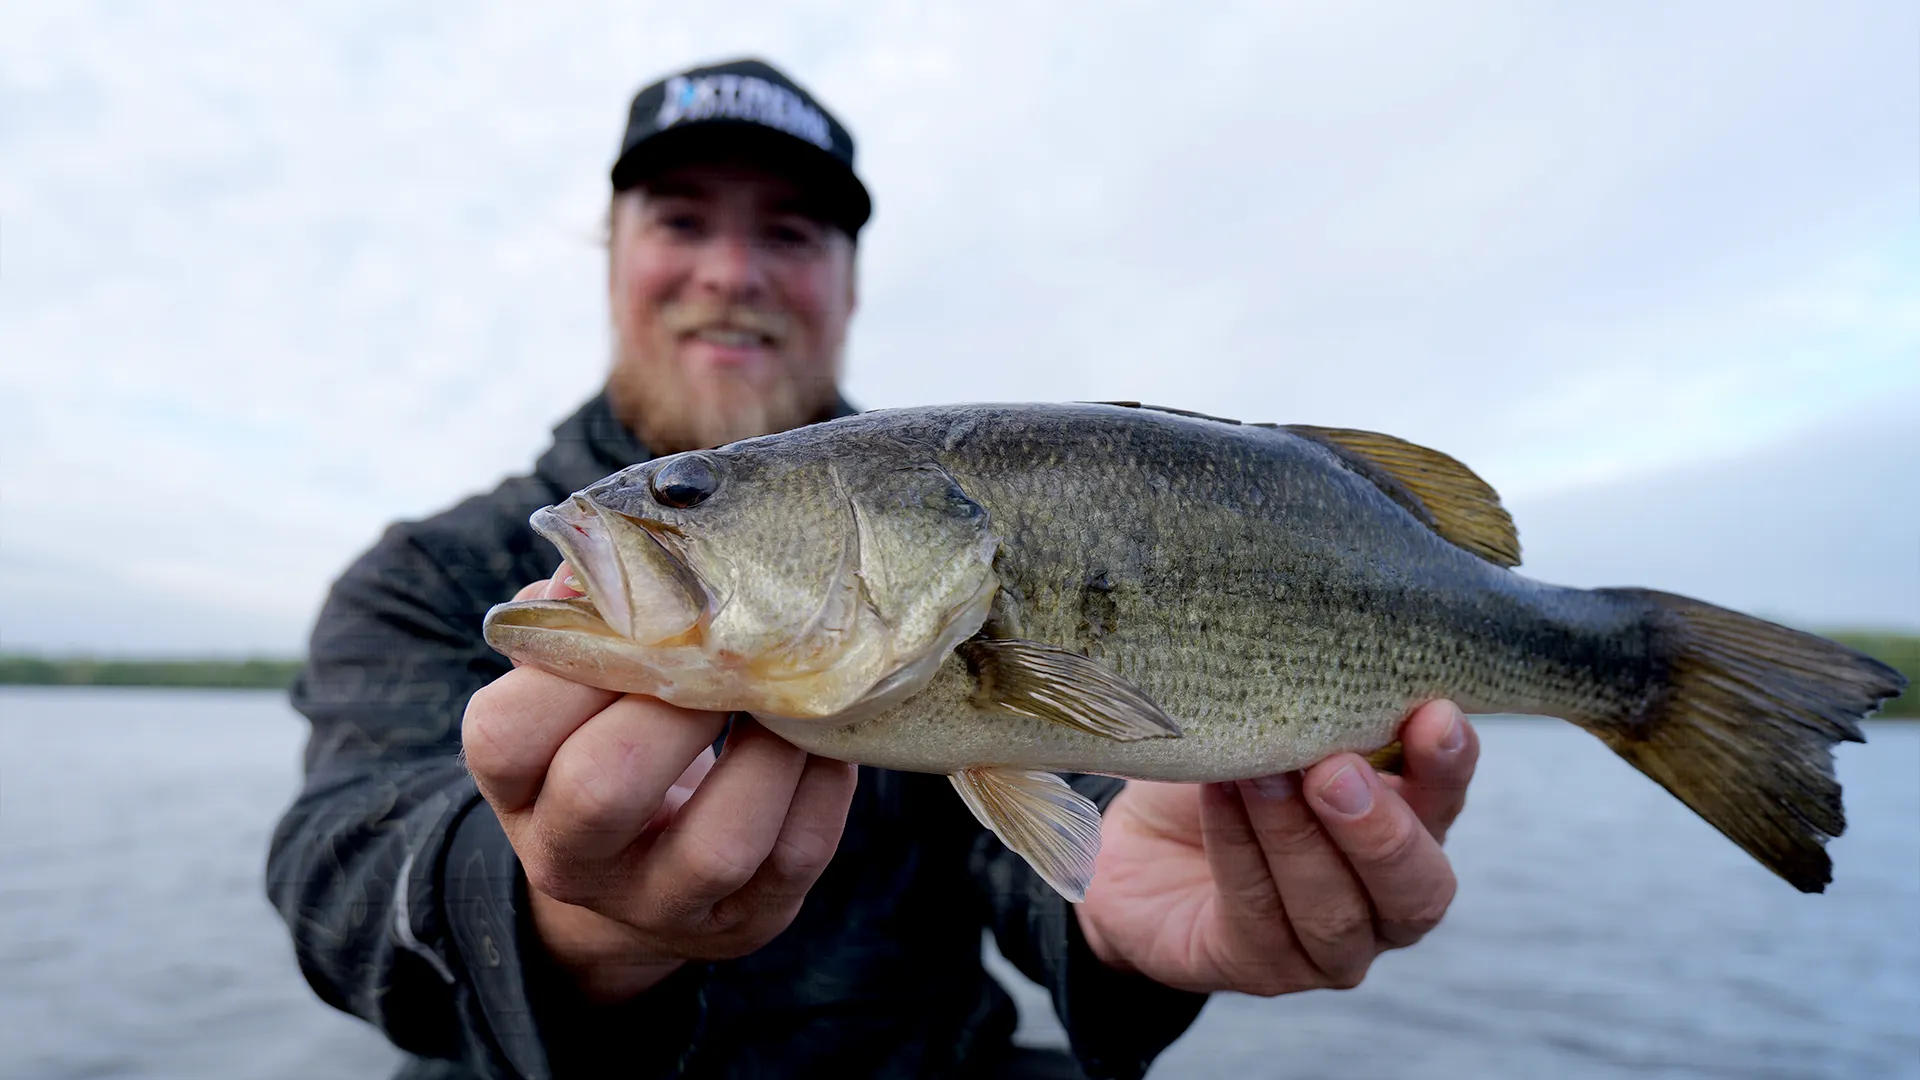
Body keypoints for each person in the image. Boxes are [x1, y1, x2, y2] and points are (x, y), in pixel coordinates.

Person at [267, 58, 1481, 1080]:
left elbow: (1069, 826)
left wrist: (1130, 914)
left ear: (847, 286)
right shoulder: (427, 576)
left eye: (788, 234)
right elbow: (336, 879)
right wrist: (550, 915)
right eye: (682, 220)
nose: (732, 273)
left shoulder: (934, 534)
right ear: (614, 260)